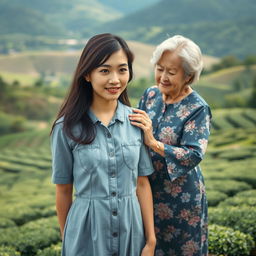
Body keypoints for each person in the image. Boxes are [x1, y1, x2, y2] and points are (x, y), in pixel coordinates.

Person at [50, 33, 156, 256]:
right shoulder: (66, 127)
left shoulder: (137, 122)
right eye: (105, 71)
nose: (115, 79)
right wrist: (68, 238)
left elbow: (142, 184)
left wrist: (150, 241)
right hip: (86, 233)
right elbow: (64, 190)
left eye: (122, 69)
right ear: (87, 74)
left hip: (132, 232)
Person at [129, 35, 212, 256]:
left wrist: (154, 144)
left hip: (181, 197)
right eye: (160, 68)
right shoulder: (151, 94)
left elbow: (194, 154)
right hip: (147, 189)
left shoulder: (198, 108)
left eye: (171, 72)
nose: (163, 77)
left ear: (189, 76)